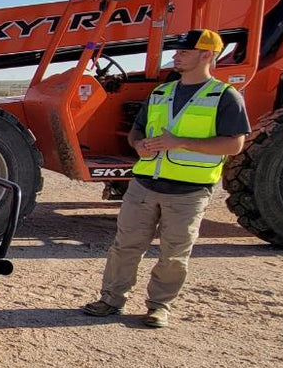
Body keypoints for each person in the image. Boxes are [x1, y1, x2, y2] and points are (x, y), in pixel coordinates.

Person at [81, 29, 252, 328]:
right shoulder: (161, 93)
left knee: (174, 254)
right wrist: (138, 145)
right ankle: (111, 300)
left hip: (189, 191)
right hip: (144, 184)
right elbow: (137, 131)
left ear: (206, 55)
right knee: (125, 246)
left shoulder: (225, 97)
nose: (176, 56)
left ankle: (159, 307)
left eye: (184, 52)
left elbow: (233, 145)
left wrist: (180, 142)